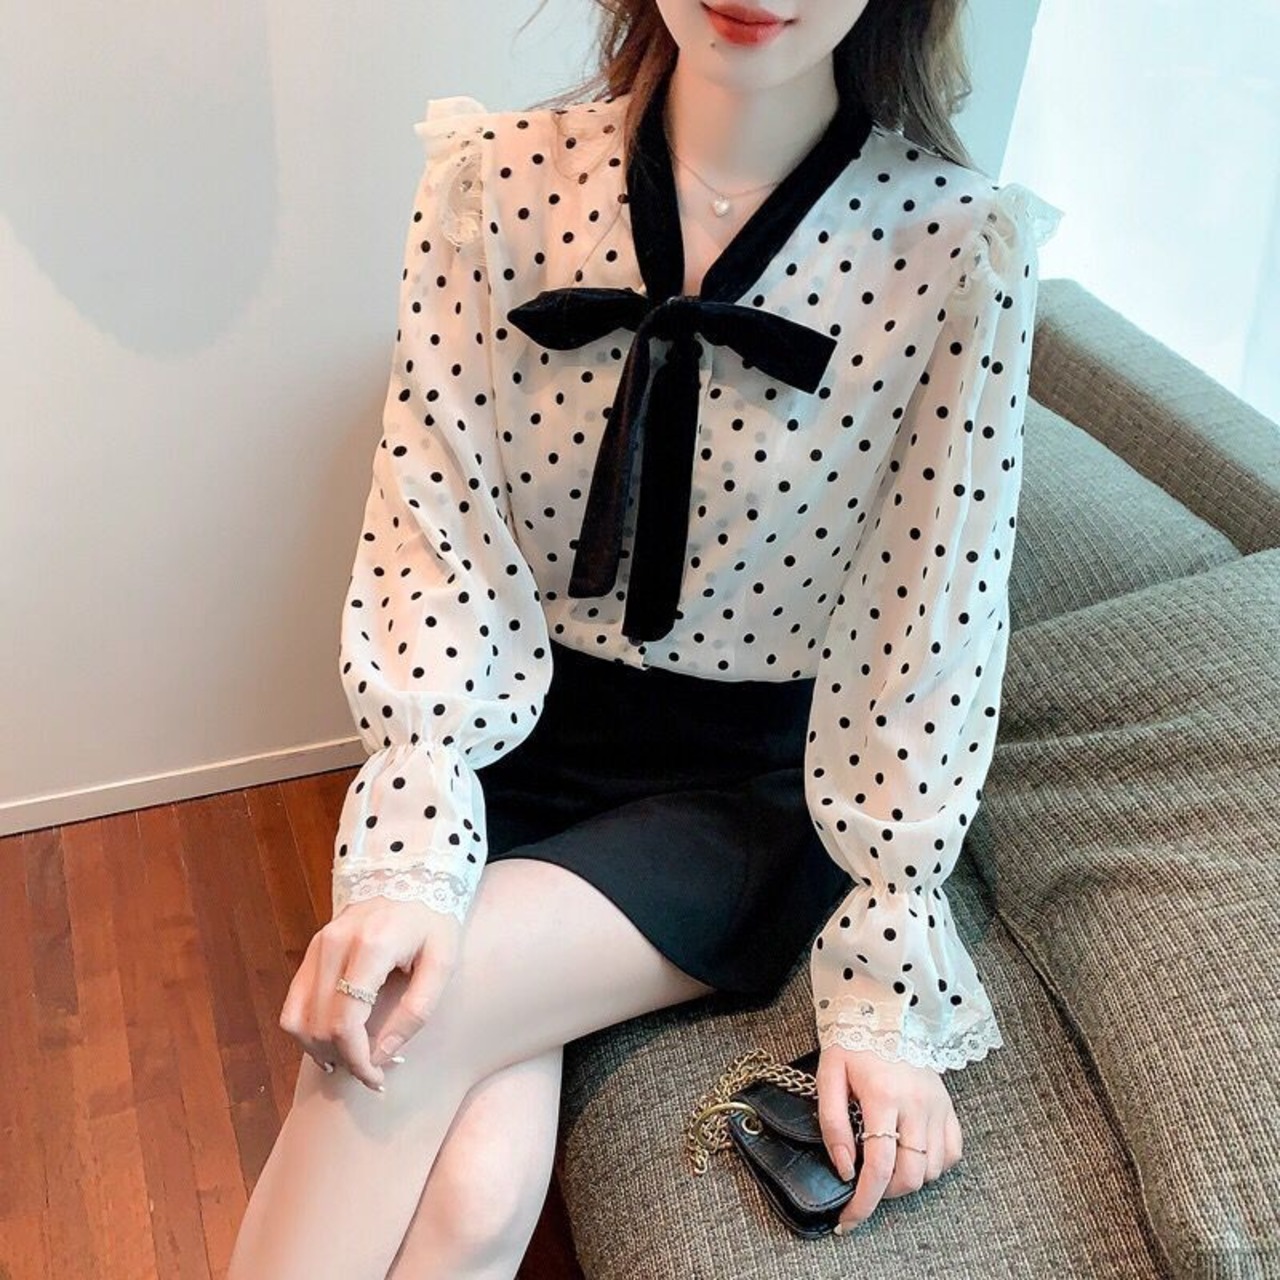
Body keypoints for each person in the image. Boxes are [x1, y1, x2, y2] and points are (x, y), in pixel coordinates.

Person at [228, 0, 1063, 1274]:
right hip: (504, 732)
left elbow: (930, 620)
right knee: (473, 1198)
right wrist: (413, 835)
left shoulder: (956, 250)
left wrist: (885, 980)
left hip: (736, 794)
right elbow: (432, 523)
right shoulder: (490, 181)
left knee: (399, 1018)